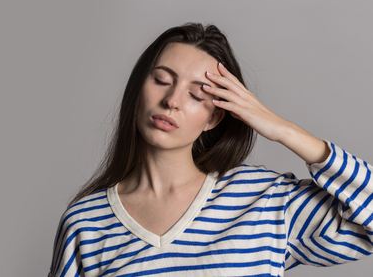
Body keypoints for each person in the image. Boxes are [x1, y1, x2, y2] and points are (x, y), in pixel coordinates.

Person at [48, 23, 373, 277]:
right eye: (162, 80)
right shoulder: (86, 223)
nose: (171, 101)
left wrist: (283, 129)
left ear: (214, 116)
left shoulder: (265, 201)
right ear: (138, 90)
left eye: (196, 94)